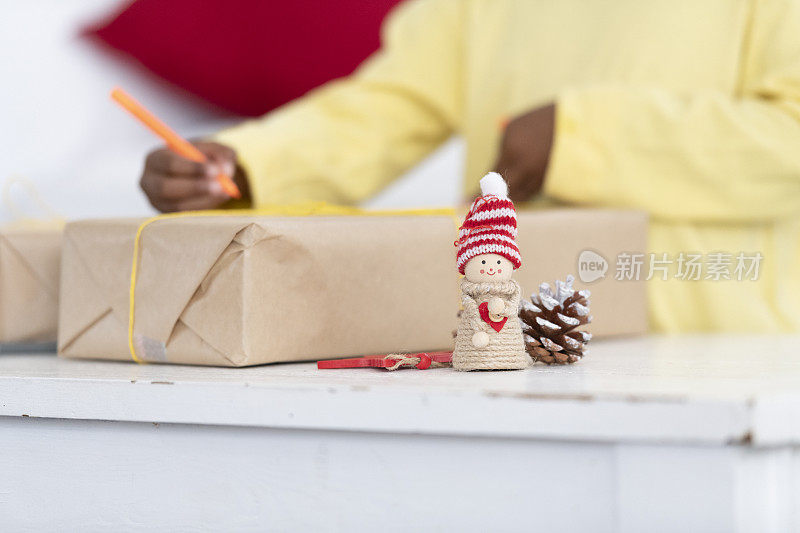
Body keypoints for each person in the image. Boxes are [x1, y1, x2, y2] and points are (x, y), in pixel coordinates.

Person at [139, 0, 800, 333]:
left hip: (723, 348)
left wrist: (577, 135)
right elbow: (391, 105)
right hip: (509, 338)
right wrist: (246, 167)